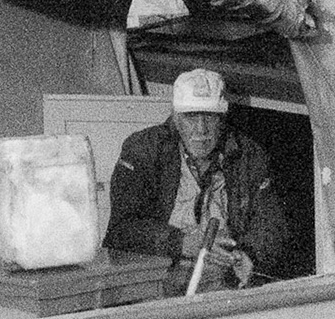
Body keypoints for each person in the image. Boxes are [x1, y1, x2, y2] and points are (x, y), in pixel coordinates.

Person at [105, 67, 289, 293]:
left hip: (223, 279)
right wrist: (182, 243)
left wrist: (250, 254)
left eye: (209, 116)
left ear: (222, 118)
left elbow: (271, 222)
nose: (201, 130)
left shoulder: (248, 154)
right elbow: (121, 230)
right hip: (157, 278)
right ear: (175, 117)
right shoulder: (144, 149)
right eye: (191, 116)